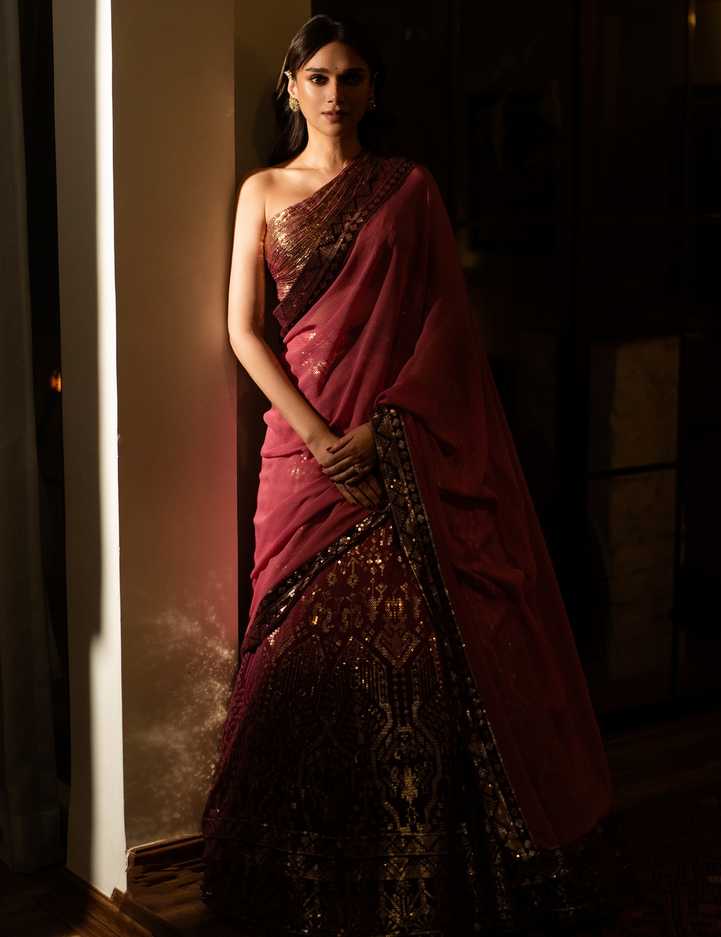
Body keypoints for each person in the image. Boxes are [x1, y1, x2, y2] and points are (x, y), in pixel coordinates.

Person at [201, 14, 616, 936]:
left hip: (395, 450)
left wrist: (382, 434)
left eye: (351, 77)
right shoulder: (262, 191)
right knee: (296, 660)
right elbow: (243, 330)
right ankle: (297, 877)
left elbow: (446, 330)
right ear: (290, 86)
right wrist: (321, 439)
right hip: (304, 458)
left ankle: (424, 875)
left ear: (373, 90)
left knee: (418, 658)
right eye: (318, 77)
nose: (335, 94)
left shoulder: (408, 190)